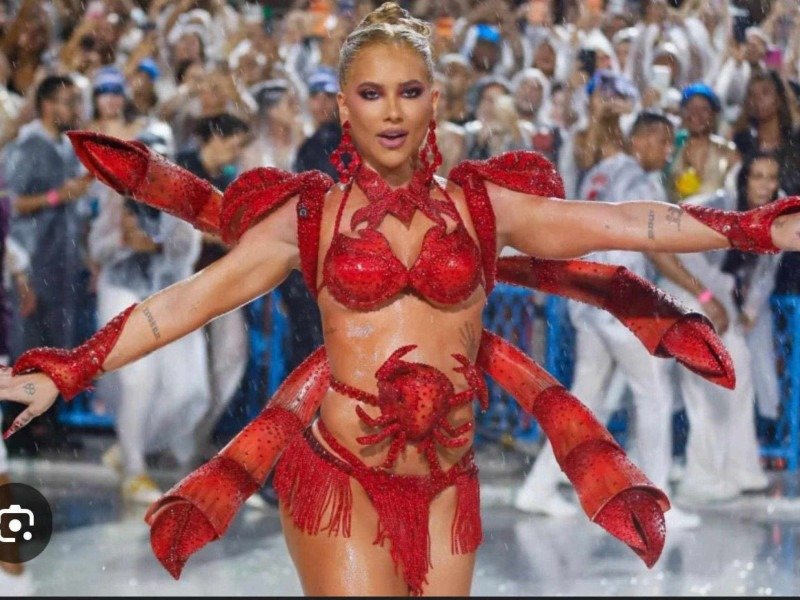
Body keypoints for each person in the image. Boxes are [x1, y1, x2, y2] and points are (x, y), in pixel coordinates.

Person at [4, 3, 800, 596]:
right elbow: (182, 303)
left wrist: (753, 229)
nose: (391, 110)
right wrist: (67, 372)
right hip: (340, 471)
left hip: (448, 480)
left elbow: (630, 220)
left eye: (409, 91)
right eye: (372, 93)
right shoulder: (308, 215)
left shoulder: (488, 205)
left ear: (434, 103)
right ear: (343, 107)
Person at [514, 112, 700, 529]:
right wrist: (699, 291)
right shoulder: (639, 180)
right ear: (643, 139)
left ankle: (537, 487)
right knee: (654, 397)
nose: (668, 152)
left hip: (590, 303)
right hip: (621, 307)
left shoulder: (598, 172)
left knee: (586, 403)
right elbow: (655, 248)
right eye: (664, 142)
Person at [89, 127, 211, 504]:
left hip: (167, 293)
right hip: (123, 288)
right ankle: (135, 468)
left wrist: (158, 243)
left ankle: (128, 446)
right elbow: (98, 248)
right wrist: (124, 242)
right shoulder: (117, 195)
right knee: (138, 378)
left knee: (188, 393)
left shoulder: (181, 194)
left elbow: (187, 251)